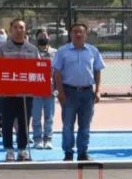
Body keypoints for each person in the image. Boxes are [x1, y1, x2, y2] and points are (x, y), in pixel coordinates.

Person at [54, 23, 105, 161]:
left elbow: (97, 71)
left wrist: (98, 90)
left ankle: (83, 152)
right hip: (68, 92)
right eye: (75, 31)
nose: (78, 34)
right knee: (67, 125)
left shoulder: (93, 51)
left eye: (81, 32)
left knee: (85, 125)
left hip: (87, 93)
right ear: (70, 34)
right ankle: (68, 153)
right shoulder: (62, 51)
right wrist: (60, 92)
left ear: (86, 34)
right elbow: (57, 73)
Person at [0, 19, 40, 162]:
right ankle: (9, 150)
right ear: (10, 30)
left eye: (22, 27)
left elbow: (39, 68)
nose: (19, 30)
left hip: (26, 93)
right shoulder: (1, 49)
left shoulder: (32, 49)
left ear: (25, 30)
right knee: (7, 122)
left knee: (24, 122)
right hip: (7, 92)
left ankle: (22, 149)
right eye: (16, 27)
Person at [31, 28, 57, 150]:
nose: (43, 38)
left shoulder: (55, 53)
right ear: (36, 38)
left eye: (45, 36)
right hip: (35, 89)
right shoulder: (32, 52)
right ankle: (37, 139)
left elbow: (58, 71)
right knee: (36, 116)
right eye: (40, 36)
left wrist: (57, 88)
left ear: (49, 37)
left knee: (49, 117)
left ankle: (48, 139)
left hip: (50, 89)